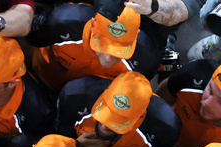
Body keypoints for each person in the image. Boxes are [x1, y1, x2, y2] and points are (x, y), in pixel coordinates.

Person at [27, 5, 159, 92]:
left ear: (136, 35)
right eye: (103, 45)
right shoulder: (62, 22)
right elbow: (27, 39)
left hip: (88, 105)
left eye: (119, 49)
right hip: (38, 79)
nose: (108, 59)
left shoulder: (146, 59)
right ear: (92, 26)